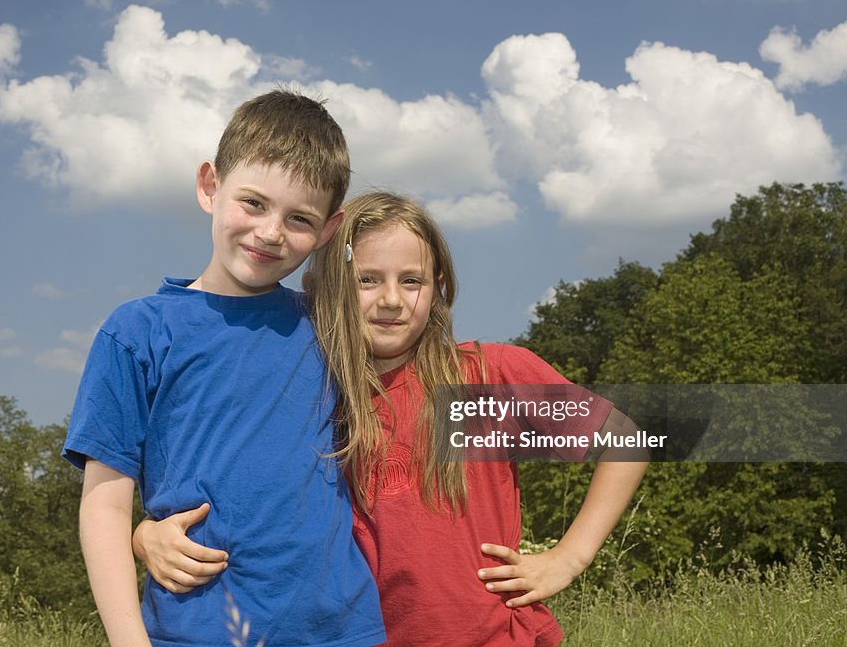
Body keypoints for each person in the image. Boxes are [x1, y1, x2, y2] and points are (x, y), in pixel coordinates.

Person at [134, 191, 648, 646]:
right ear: (327, 287)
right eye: (367, 280)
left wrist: (569, 557)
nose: (390, 300)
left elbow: (627, 439)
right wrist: (145, 536)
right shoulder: (311, 391)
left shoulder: (487, 377)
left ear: (439, 286)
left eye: (411, 280)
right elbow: (246, 498)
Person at [62, 91, 385, 647]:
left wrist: (566, 551)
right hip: (197, 631)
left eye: (299, 218)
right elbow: (104, 503)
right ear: (210, 186)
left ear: (328, 232)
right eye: (253, 202)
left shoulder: (331, 327)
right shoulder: (137, 332)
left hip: (340, 632)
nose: (270, 232)